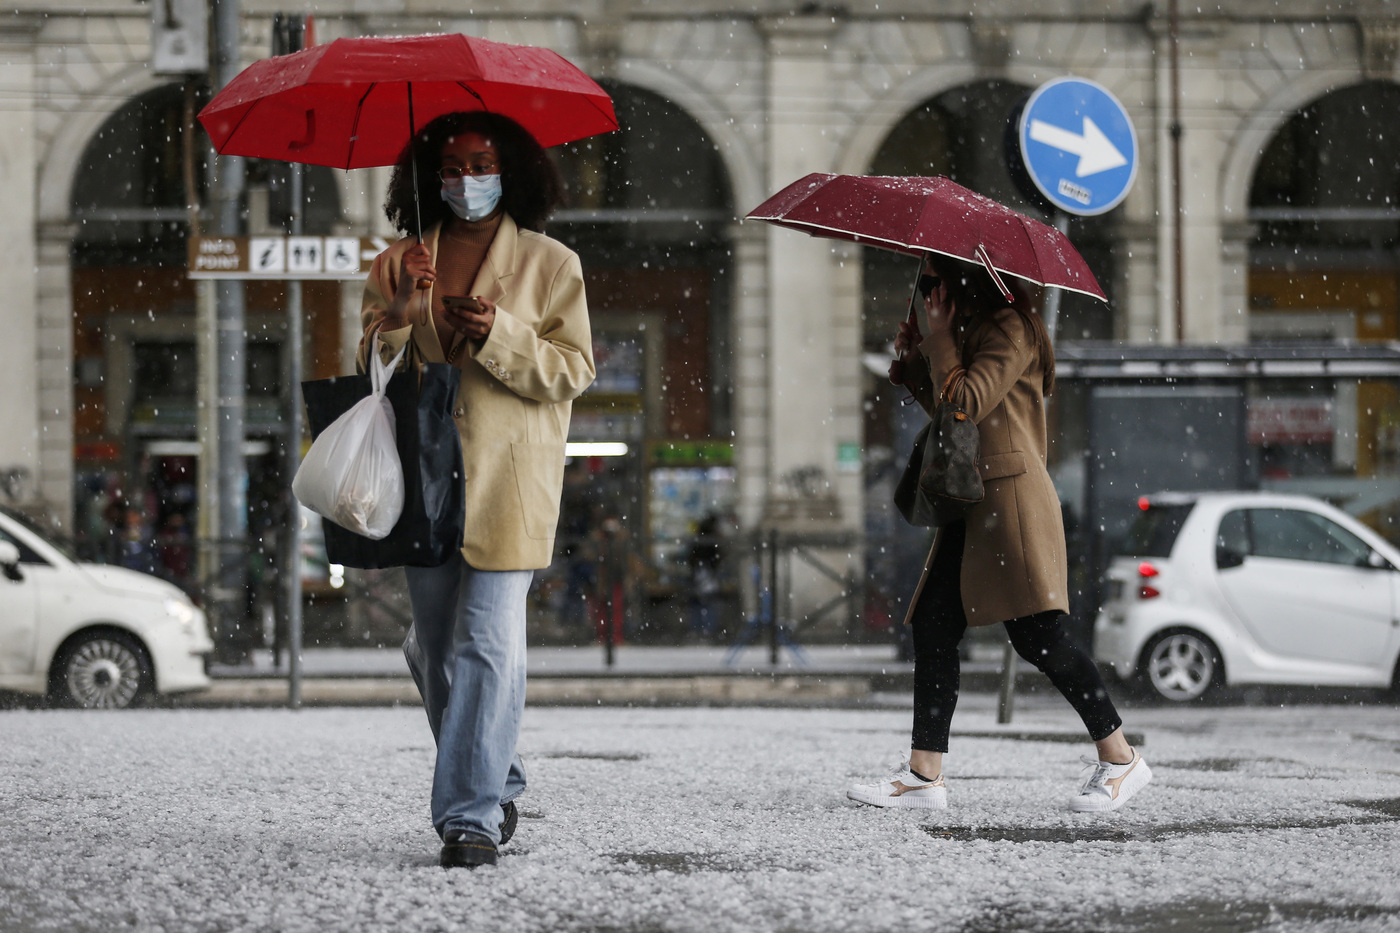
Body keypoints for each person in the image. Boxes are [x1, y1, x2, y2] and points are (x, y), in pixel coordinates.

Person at [357, 111, 595, 868]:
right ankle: (500, 773)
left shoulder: (553, 264)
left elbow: (571, 370)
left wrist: (498, 332)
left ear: (512, 170)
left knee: (488, 642)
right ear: (430, 177)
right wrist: (399, 316)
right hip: (423, 473)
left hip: (509, 476)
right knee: (435, 648)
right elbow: (369, 369)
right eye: (452, 166)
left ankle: (470, 817)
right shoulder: (399, 261)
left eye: (481, 162)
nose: (466, 179)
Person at [847, 255, 1150, 813]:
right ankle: (924, 774)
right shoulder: (974, 331)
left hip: (1010, 502)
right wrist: (915, 358)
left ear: (968, 281)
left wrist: (938, 340)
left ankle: (1121, 758)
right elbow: (950, 414)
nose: (929, 294)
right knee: (934, 626)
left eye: (935, 284)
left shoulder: (1011, 329)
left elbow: (963, 406)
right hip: (974, 504)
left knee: (1041, 638)